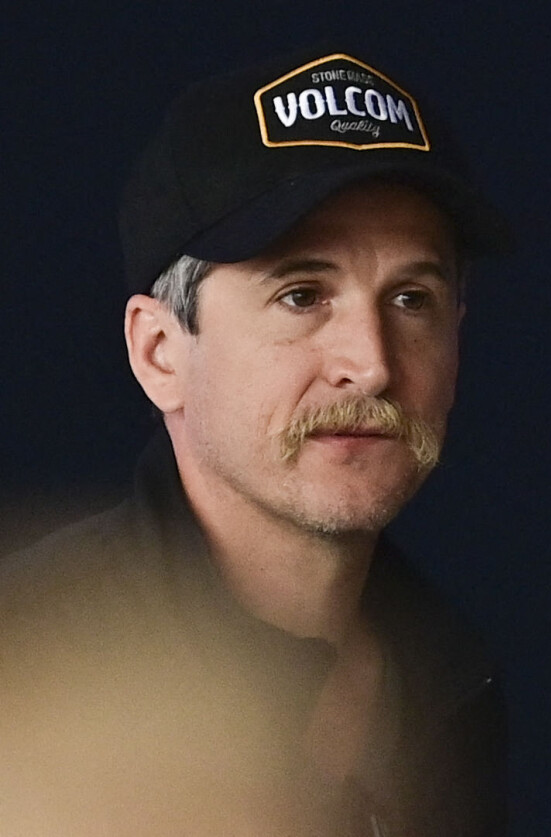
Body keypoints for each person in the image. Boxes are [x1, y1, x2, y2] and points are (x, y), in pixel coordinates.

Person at [0, 48, 509, 835]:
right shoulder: (27, 673)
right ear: (160, 352)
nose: (371, 364)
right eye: (301, 294)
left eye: (412, 298)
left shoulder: (451, 684)